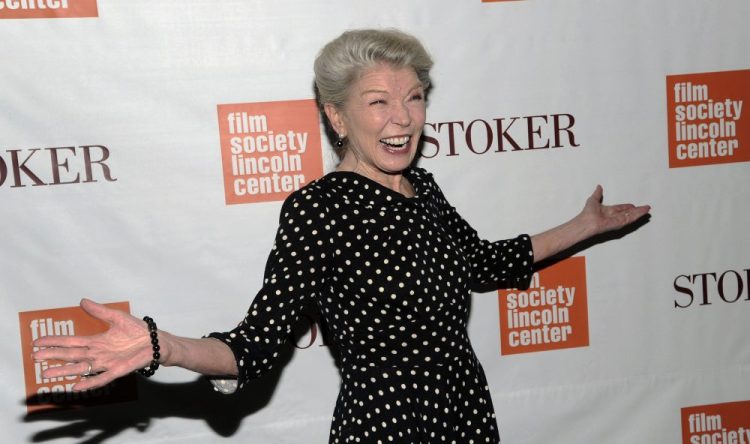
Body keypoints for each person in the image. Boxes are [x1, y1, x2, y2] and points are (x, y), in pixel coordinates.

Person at [33, 29, 650, 443]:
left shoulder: (424, 189)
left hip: (465, 411)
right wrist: (161, 345)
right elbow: (252, 345)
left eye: (414, 99)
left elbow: (480, 260)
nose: (403, 118)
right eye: (379, 102)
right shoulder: (318, 210)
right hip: (387, 425)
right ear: (337, 116)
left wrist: (583, 227)